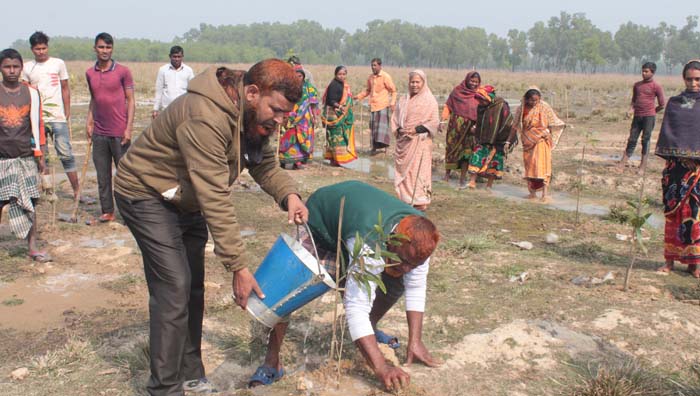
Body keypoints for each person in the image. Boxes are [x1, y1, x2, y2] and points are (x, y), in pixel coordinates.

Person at [114, 58, 308, 396]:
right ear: (251, 92)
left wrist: (289, 194)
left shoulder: (253, 118)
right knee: (174, 287)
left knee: (193, 288)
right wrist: (239, 266)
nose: (279, 120)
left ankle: (190, 372)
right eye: (276, 110)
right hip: (146, 193)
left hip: (185, 197)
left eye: (285, 115)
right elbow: (215, 196)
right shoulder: (205, 115)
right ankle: (164, 388)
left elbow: (264, 166)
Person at [249, 181, 441, 392]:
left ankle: (368, 329)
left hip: (355, 227)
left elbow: (416, 286)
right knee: (288, 292)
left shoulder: (419, 243)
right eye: (403, 260)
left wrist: (415, 340)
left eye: (412, 265)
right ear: (392, 241)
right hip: (324, 225)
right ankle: (272, 362)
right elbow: (356, 307)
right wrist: (382, 368)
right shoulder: (371, 245)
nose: (405, 268)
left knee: (396, 282)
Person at [22, 31, 84, 202]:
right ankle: (49, 192)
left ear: (47, 47)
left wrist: (67, 110)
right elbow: (26, 92)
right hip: (37, 119)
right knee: (42, 156)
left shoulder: (58, 63)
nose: (41, 52)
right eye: (37, 49)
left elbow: (65, 88)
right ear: (32, 49)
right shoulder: (27, 68)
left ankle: (77, 190)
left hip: (57, 116)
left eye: (43, 48)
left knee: (65, 154)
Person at [0, 49, 49, 262]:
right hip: (2, 158)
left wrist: (42, 156)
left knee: (30, 202)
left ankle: (32, 247)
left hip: (26, 156)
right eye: (7, 66)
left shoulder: (31, 92)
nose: (11, 71)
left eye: (15, 66)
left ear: (22, 67)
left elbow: (37, 125)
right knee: (1, 202)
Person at [655, 60, 700, 279]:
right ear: (684, 79)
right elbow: (668, 134)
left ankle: (695, 264)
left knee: (695, 214)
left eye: (698, 79)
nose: (693, 83)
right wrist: (682, 157)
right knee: (672, 214)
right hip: (675, 170)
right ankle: (669, 261)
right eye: (690, 79)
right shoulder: (674, 103)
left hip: (698, 173)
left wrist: (696, 159)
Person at [85, 32, 135, 223]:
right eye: (101, 47)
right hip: (99, 132)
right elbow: (94, 99)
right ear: (95, 48)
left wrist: (128, 128)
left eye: (108, 47)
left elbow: (131, 101)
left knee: (124, 174)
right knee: (102, 174)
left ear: (112, 48)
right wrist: (89, 121)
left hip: (119, 132)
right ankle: (108, 211)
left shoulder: (123, 71)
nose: (104, 51)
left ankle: (130, 212)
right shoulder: (90, 73)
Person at [392, 70, 439, 210]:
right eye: (412, 82)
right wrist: (400, 130)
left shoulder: (429, 100)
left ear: (423, 83)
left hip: (420, 142)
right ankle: (405, 199)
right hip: (404, 142)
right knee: (405, 173)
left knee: (418, 171)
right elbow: (395, 117)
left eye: (417, 82)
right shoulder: (403, 100)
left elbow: (434, 121)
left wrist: (416, 130)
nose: (414, 85)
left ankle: (420, 201)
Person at [513, 87, 565, 202]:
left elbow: (553, 122)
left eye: (536, 100)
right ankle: (532, 193)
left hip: (542, 141)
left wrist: (548, 134)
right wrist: (508, 140)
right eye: (531, 100)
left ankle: (545, 195)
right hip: (527, 141)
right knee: (530, 167)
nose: (534, 103)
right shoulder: (521, 109)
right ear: (526, 99)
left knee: (543, 167)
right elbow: (515, 124)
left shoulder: (544, 107)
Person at [466, 85, 515, 189]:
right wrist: (475, 127)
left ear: (489, 97)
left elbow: (508, 122)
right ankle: (472, 181)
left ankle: (489, 185)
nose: (481, 102)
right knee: (476, 157)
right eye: (479, 100)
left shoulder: (501, 105)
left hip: (498, 140)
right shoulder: (481, 106)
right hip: (482, 138)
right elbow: (480, 121)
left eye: (482, 100)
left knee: (494, 163)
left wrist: (502, 137)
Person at [619, 62, 665, 170]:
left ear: (652, 73)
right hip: (637, 116)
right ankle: (622, 163)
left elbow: (662, 104)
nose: (643, 73)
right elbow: (634, 101)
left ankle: (643, 165)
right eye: (642, 71)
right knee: (632, 139)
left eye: (646, 71)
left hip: (649, 117)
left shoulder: (656, 86)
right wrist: (630, 109)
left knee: (645, 139)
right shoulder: (637, 85)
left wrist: (652, 112)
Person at [440, 71, 481, 188]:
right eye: (472, 81)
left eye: (476, 82)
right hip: (455, 127)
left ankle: (462, 179)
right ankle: (447, 176)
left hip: (470, 130)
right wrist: (443, 120)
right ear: (467, 80)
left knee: (466, 154)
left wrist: (477, 126)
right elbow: (448, 106)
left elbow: (482, 111)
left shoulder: (479, 94)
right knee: (451, 150)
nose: (473, 83)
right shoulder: (457, 91)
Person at [278, 63, 319, 169]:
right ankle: (285, 159)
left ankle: (299, 160)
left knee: (303, 138)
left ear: (303, 76)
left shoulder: (310, 89)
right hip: (290, 117)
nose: (298, 78)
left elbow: (314, 104)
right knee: (289, 136)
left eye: (299, 76)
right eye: (295, 76)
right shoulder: (287, 89)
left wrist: (315, 117)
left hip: (305, 119)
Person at [354, 58, 397, 154]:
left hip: (382, 104)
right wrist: (358, 96)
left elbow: (393, 90)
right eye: (372, 65)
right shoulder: (370, 78)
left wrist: (392, 103)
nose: (373, 67)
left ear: (380, 66)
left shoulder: (385, 76)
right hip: (373, 105)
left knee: (382, 128)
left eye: (375, 65)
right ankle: (374, 148)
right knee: (373, 127)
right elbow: (368, 90)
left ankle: (385, 149)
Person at [322, 66, 357, 166]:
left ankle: (336, 159)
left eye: (344, 74)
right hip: (333, 114)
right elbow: (330, 100)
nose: (342, 76)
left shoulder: (344, 85)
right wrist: (340, 107)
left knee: (338, 136)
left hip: (340, 113)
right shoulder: (334, 85)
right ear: (335, 74)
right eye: (339, 74)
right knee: (335, 137)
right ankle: (335, 159)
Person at [152, 45, 194, 119]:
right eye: (174, 56)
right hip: (166, 109)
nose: (177, 59)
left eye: (179, 56)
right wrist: (155, 109)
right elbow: (159, 91)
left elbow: (192, 91)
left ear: (182, 56)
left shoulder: (188, 71)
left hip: (183, 109)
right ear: (170, 56)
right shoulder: (163, 70)